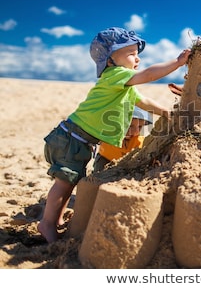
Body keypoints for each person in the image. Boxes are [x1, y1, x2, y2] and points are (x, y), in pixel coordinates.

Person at [38, 27, 191, 243]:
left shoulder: (123, 86)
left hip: (79, 140)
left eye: (137, 54)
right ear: (109, 61)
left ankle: (56, 220)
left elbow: (143, 102)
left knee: (69, 181)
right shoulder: (114, 76)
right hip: (70, 139)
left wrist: (166, 112)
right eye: (130, 54)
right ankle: (46, 223)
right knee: (63, 183)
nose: (136, 59)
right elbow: (147, 75)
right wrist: (177, 63)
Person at [92, 106, 152, 172]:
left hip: (127, 166)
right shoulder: (109, 133)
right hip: (105, 159)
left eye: (139, 127)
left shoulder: (140, 141)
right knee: (98, 175)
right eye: (129, 126)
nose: (135, 131)